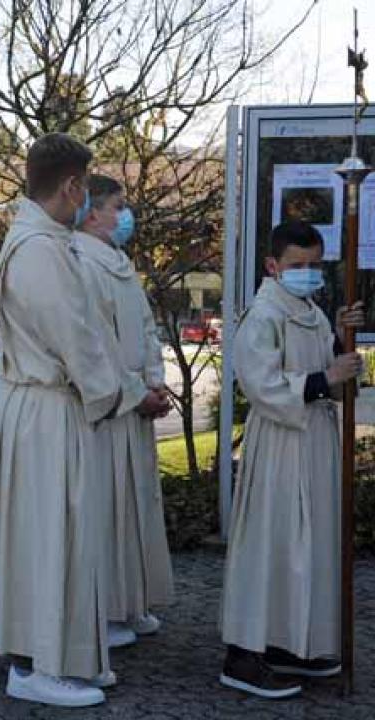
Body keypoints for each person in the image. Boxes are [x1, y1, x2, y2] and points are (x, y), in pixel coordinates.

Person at [0, 133, 166, 707]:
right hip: (47, 410)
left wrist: (122, 388)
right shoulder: (39, 249)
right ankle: (38, 666)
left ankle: (68, 653)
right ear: (72, 185)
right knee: (50, 537)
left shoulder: (43, 240)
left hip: (49, 405)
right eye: (87, 187)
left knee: (64, 536)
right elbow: (78, 342)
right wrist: (126, 394)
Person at [220, 220, 365, 698]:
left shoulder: (310, 311)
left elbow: (332, 366)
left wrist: (343, 343)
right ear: (272, 266)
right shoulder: (263, 316)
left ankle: (289, 643)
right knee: (273, 542)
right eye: (296, 266)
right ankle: (244, 654)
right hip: (281, 445)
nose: (307, 273)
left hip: (315, 443)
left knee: (306, 547)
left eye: (313, 265)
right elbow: (262, 383)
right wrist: (325, 377)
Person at [74, 175, 175, 646]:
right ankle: (104, 610)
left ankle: (130, 600)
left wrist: (155, 380)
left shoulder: (118, 262)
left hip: (137, 403)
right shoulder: (81, 263)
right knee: (106, 507)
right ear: (92, 213)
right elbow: (97, 345)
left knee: (135, 505)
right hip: (108, 409)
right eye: (119, 205)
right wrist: (134, 392)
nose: (126, 214)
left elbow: (145, 328)